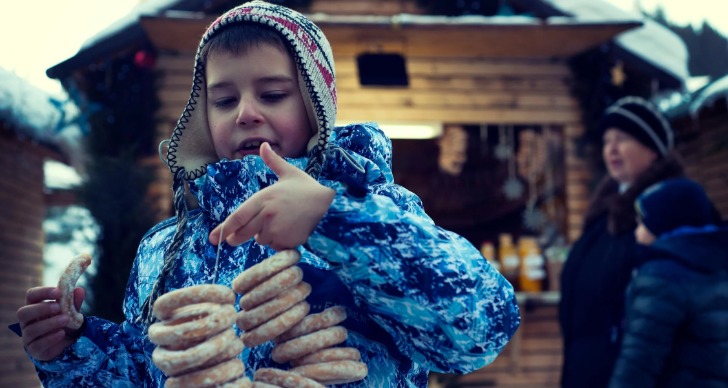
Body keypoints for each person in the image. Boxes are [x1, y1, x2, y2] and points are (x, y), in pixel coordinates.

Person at [16, 1, 520, 386]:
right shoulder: (163, 247)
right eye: (224, 99)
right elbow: (153, 371)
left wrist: (332, 218)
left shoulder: (377, 211)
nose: (245, 113)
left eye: (273, 94)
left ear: (316, 108)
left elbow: (479, 329)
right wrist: (73, 349)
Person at [558, 96, 684, 388]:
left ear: (652, 149)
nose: (611, 149)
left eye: (623, 138)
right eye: (606, 141)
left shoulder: (665, 211)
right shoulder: (604, 213)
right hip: (585, 366)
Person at [609, 178, 728, 387]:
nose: (637, 233)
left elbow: (638, 362)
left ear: (662, 224)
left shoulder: (660, 278)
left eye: (642, 223)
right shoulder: (718, 267)